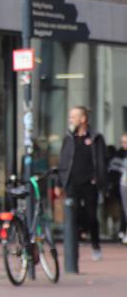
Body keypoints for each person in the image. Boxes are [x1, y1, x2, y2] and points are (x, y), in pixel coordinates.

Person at [56, 105, 107, 261]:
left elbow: (101, 160)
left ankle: (96, 246)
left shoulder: (95, 138)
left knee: (91, 216)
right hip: (72, 182)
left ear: (83, 119)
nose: (70, 120)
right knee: (74, 214)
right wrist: (59, 183)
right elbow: (63, 160)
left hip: (89, 183)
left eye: (73, 117)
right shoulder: (69, 137)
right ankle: (74, 246)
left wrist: (98, 179)